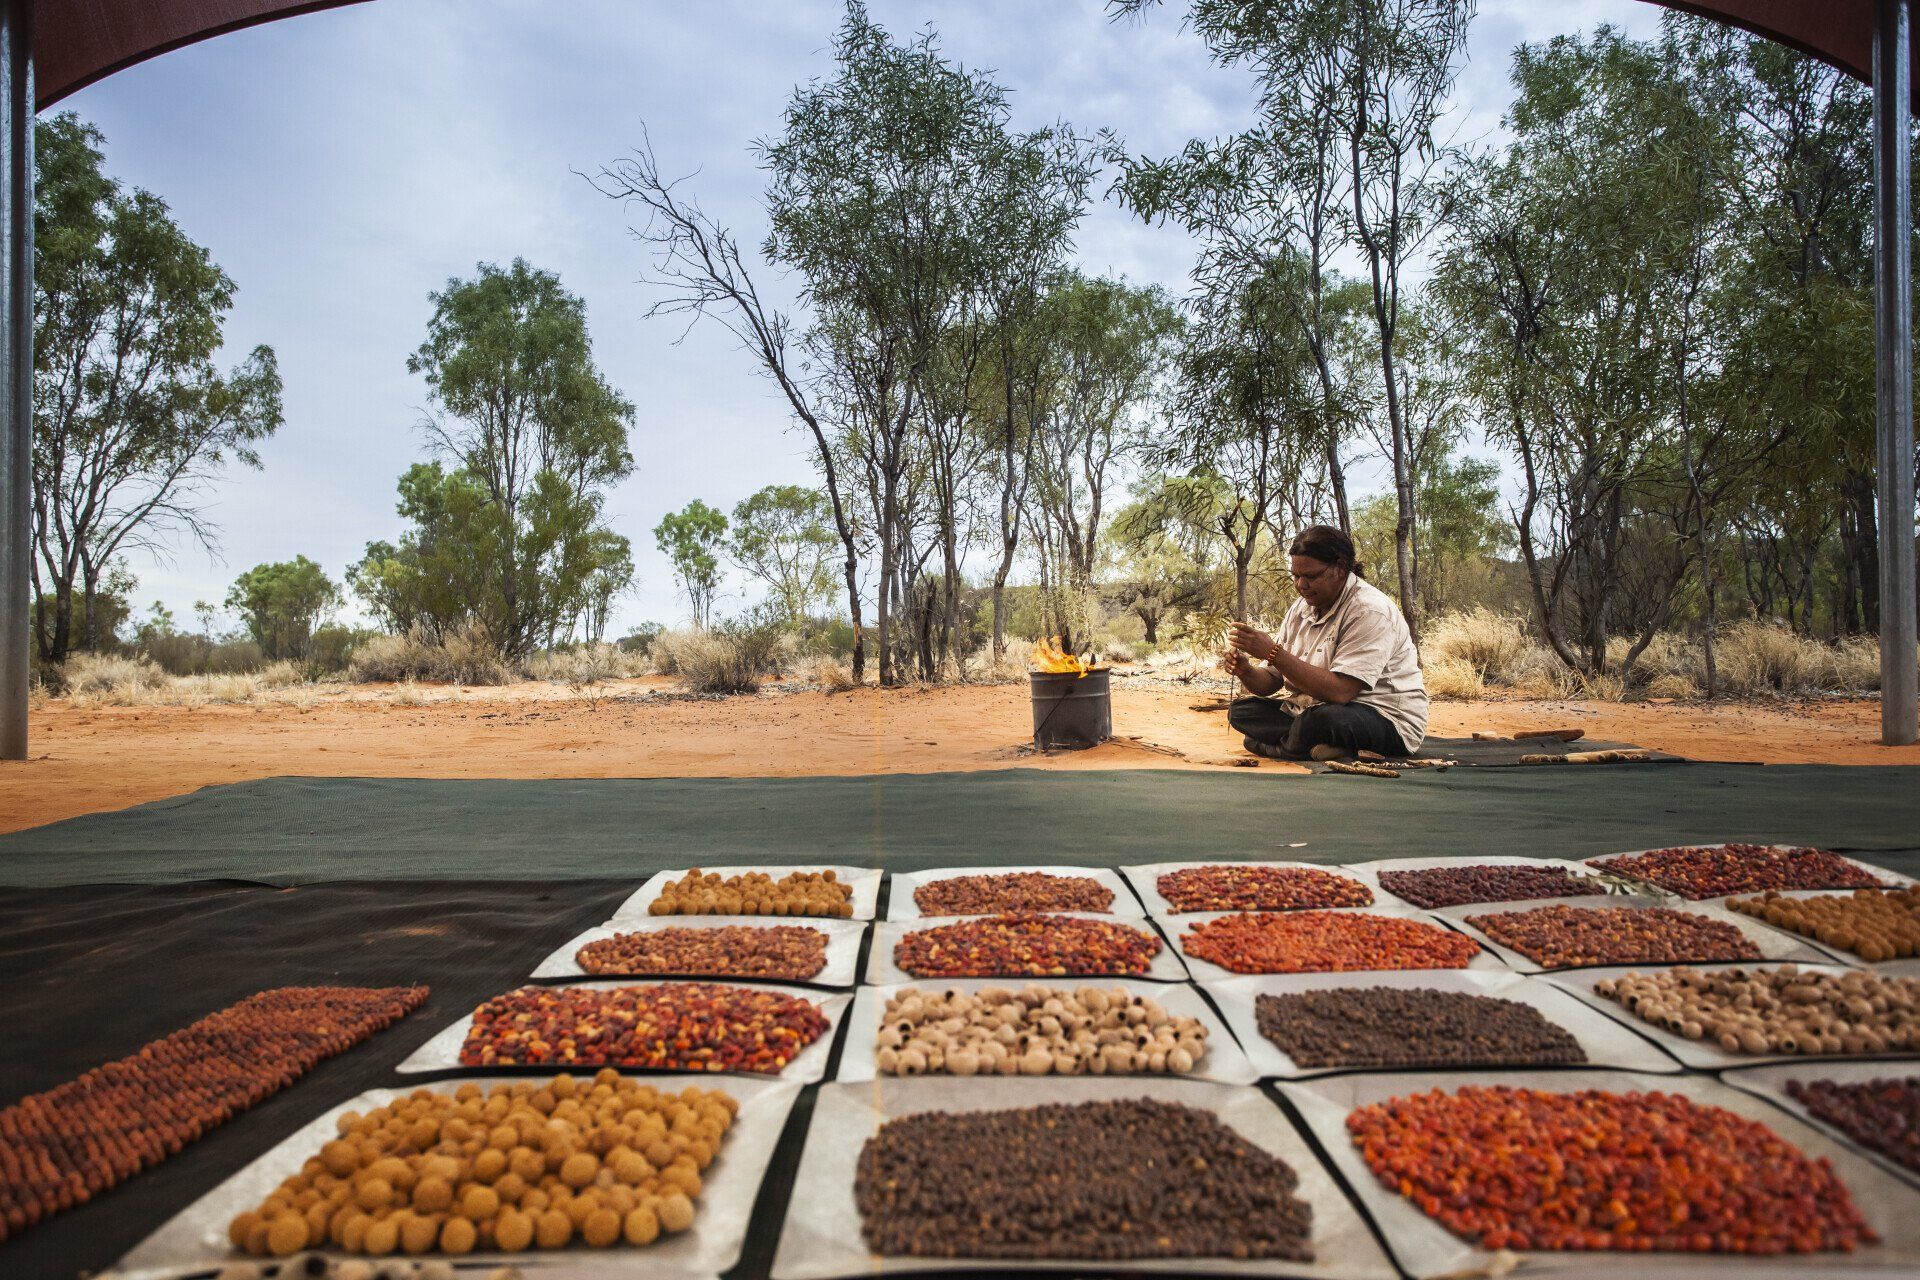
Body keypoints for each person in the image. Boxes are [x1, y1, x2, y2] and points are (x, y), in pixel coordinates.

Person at [1221, 525, 1428, 761]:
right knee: (1241, 712)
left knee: (1321, 720)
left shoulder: (1369, 610)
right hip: (1311, 709)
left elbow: (1340, 692)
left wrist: (1273, 652)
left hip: (1382, 716)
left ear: (1340, 568)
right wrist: (1245, 671)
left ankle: (1281, 747)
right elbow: (1271, 682)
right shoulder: (1301, 608)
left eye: (1311, 576)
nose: (1301, 585)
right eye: (1296, 576)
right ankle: (1316, 747)